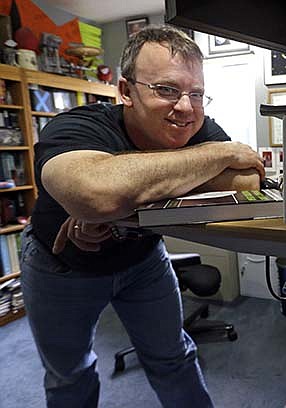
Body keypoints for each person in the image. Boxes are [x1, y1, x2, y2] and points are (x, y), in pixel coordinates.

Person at [19, 25, 264, 408]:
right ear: (125, 91)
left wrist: (124, 202)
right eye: (166, 90)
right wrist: (220, 153)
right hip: (61, 266)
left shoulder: (195, 125)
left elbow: (247, 175)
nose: (185, 107)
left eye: (196, 94)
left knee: (174, 358)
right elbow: (96, 194)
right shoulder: (78, 126)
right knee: (71, 375)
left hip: (144, 262)